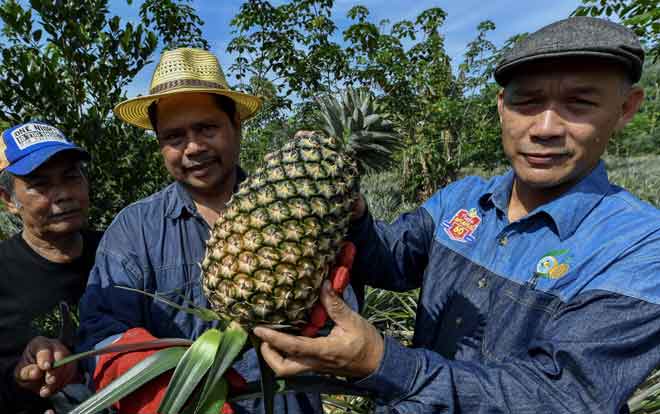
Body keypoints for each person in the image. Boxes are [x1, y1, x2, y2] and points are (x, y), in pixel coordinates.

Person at [253, 16, 660, 413]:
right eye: (528, 101)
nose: (546, 128)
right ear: (502, 106)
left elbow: (567, 396)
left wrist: (386, 365)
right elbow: (392, 262)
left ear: (626, 109)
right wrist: (350, 212)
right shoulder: (462, 200)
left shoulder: (640, 248)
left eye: (579, 103)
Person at [77, 48, 328, 413]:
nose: (193, 148)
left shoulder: (296, 209)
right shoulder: (134, 230)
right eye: (174, 137)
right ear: (160, 145)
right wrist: (162, 392)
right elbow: (102, 331)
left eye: (207, 128)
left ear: (236, 127)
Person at [0, 122, 102, 414]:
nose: (63, 194)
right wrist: (22, 380)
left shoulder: (120, 252)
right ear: (8, 200)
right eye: (41, 184)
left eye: (71, 177)